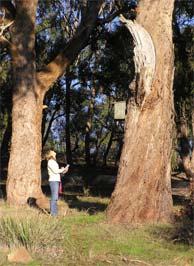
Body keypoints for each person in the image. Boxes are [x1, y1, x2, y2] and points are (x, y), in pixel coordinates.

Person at [45, 150, 69, 215]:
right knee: (54, 197)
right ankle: (53, 214)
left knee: (55, 197)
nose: (54, 151)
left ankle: (54, 213)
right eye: (52, 151)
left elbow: (57, 172)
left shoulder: (53, 162)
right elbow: (55, 171)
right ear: (50, 154)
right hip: (53, 181)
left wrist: (64, 170)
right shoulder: (50, 162)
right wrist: (62, 169)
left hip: (56, 180)